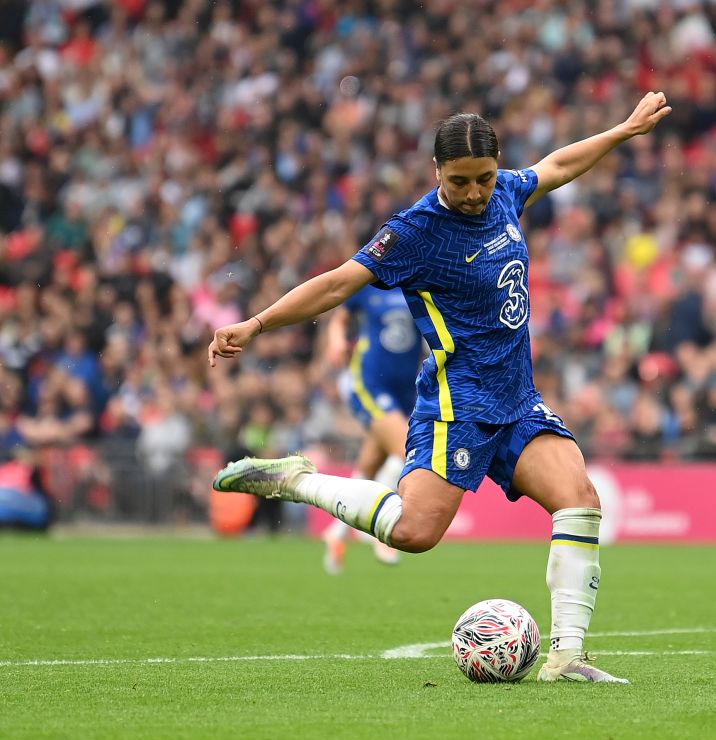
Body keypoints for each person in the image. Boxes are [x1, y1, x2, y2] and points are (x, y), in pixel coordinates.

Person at [208, 92, 672, 684]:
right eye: (459, 182)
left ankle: (566, 658)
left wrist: (622, 131)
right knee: (415, 533)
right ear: (436, 173)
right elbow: (334, 285)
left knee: (579, 501)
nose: (475, 193)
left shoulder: (505, 190)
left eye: (482, 178)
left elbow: (555, 166)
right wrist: (257, 323)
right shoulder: (415, 232)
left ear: (496, 165)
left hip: (517, 399)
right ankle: (296, 480)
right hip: (459, 404)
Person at [321, 284, 423, 572]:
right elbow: (341, 316)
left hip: (406, 388)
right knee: (409, 449)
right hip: (370, 381)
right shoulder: (369, 283)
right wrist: (337, 340)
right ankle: (381, 526)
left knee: (372, 462)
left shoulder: (420, 280)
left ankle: (337, 531)